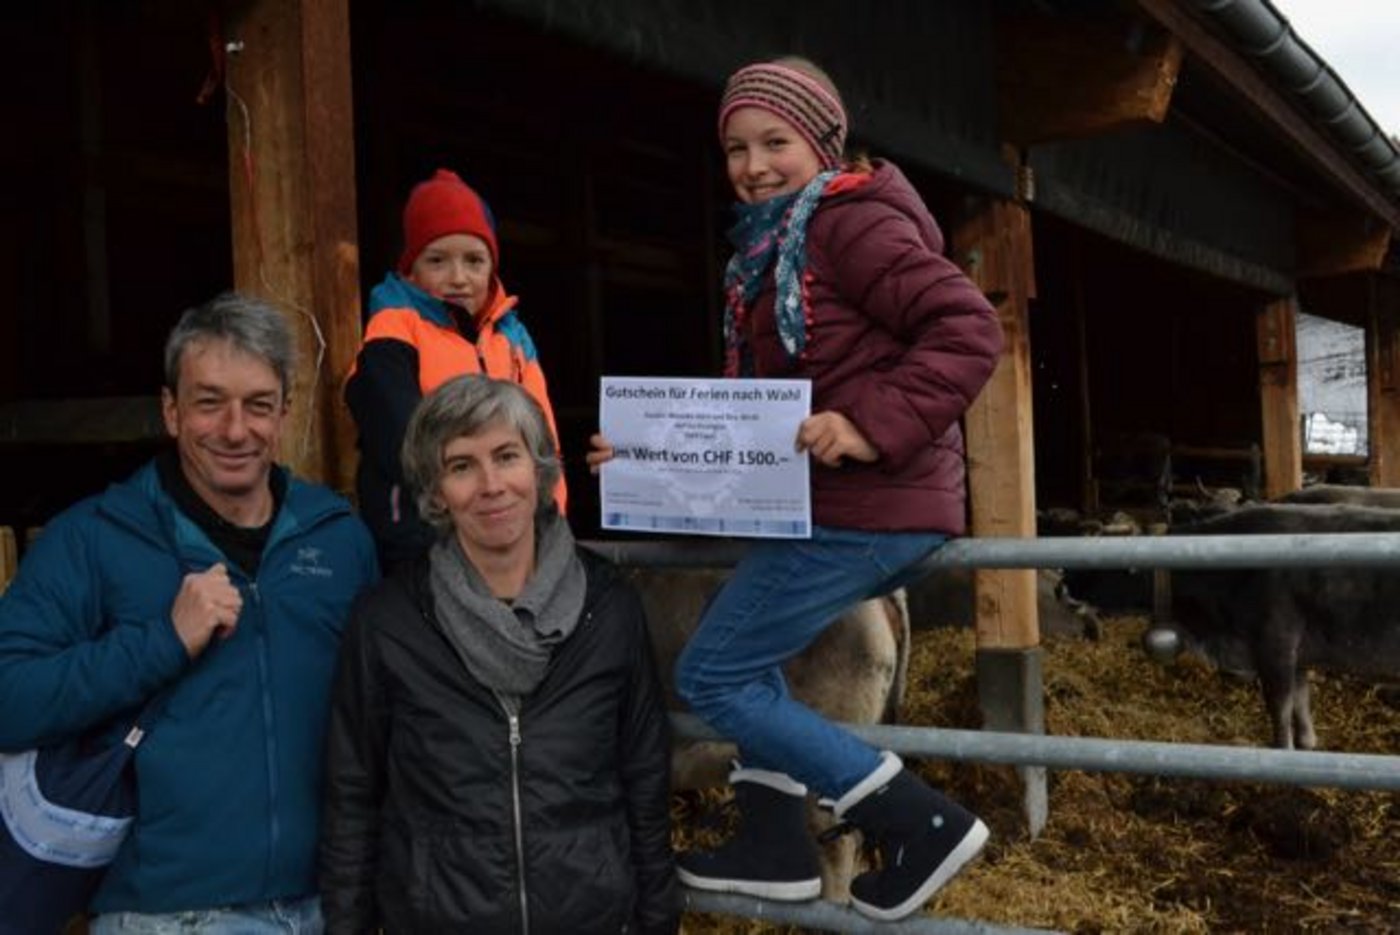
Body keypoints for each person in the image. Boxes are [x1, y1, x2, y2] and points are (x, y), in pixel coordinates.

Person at [588, 57, 1004, 922]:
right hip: (822, 507)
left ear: (823, 143)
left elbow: (968, 328)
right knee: (755, 661)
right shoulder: (775, 245)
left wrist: (867, 422)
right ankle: (775, 845)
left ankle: (921, 821)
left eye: (775, 141)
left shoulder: (849, 229)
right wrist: (644, 455)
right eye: (736, 147)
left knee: (712, 670)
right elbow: (755, 419)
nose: (753, 165)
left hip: (868, 508)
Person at [0, 292, 380, 932]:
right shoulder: (96, 537)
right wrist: (162, 642)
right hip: (169, 916)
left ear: (285, 413)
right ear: (172, 411)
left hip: (328, 907)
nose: (236, 430)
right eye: (210, 402)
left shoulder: (338, 539)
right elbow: (8, 698)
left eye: (258, 404)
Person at [320, 375, 677, 934]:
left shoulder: (609, 608)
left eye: (506, 456)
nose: (491, 485)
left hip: (590, 917)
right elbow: (351, 794)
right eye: (462, 466)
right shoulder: (388, 623)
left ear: (538, 470)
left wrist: (658, 920)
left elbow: (645, 777)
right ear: (436, 491)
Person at [347, 168, 566, 571]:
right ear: (411, 269)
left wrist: (552, 526)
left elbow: (546, 444)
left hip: (510, 536)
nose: (458, 278)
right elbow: (403, 441)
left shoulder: (515, 341)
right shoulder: (393, 329)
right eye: (437, 260)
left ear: (492, 268)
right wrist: (466, 521)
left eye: (474, 261)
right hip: (420, 539)